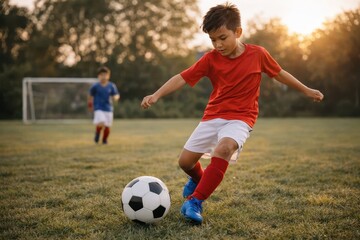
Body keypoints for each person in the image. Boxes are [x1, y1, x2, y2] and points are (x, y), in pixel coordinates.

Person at [141, 3, 324, 224]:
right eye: (213, 40)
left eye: (222, 37)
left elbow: (279, 74)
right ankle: (199, 179)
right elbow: (182, 77)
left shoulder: (258, 54)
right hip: (212, 116)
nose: (218, 44)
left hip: (241, 118)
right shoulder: (210, 59)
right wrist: (157, 94)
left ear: (238, 32)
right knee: (185, 163)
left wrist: (306, 90)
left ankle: (195, 201)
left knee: (225, 148)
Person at [88, 66, 120, 144]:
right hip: (98, 108)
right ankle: (98, 133)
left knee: (107, 126)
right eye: (101, 75)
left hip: (108, 108)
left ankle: (104, 140)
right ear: (98, 76)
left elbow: (116, 94)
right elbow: (90, 95)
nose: (103, 77)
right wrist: (90, 104)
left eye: (105, 75)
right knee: (102, 122)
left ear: (108, 76)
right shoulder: (95, 86)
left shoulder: (111, 86)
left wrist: (115, 97)